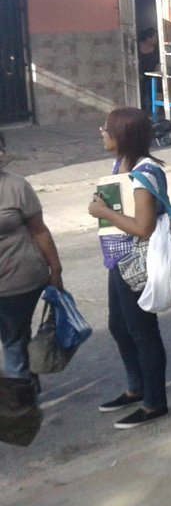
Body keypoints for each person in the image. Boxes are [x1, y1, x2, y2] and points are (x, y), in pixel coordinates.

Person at [87, 107, 171, 429]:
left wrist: (102, 212)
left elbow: (144, 227)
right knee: (119, 326)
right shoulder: (122, 165)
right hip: (118, 258)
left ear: (122, 134)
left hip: (139, 260)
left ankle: (154, 403)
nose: (102, 132)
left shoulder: (145, 172)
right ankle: (136, 388)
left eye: (106, 128)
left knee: (142, 330)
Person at [0, 131, 64, 386]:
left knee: (14, 342)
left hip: (18, 280)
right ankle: (26, 386)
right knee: (16, 341)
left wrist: (56, 270)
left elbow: (39, 230)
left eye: (1, 148)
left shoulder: (16, 187)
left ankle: (22, 407)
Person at [137, 27, 160, 117]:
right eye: (155, 37)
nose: (156, 39)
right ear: (148, 38)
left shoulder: (157, 48)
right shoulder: (138, 47)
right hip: (140, 74)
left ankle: (154, 110)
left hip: (153, 74)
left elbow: (159, 62)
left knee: (154, 87)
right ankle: (141, 109)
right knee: (140, 89)